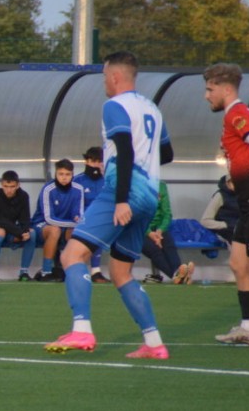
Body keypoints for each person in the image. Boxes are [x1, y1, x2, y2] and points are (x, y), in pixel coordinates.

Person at [45, 51, 174, 360]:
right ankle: (154, 342)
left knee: (72, 254)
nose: (103, 82)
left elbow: (125, 150)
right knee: (121, 272)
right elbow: (167, 153)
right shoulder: (152, 108)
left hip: (122, 192)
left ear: (115, 76)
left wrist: (121, 200)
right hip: (147, 197)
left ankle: (82, 330)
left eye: (104, 76)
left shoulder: (115, 106)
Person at [203, 63, 249, 347]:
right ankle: (248, 328)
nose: (207, 96)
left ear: (226, 89)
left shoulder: (237, 112)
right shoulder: (235, 115)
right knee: (238, 263)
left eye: (210, 89)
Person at [0, 170, 36, 281]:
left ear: (18, 185)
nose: (9, 190)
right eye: (6, 186)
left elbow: (25, 218)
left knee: (31, 233)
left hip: (9, 230)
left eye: (12, 187)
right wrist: (19, 232)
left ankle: (24, 273)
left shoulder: (23, 196)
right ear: (1, 184)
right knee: (0, 232)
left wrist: (25, 231)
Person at [31, 158, 84, 281]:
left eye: (67, 174)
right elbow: (49, 218)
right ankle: (46, 271)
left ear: (72, 174)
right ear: (56, 173)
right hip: (42, 225)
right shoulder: (48, 189)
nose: (64, 177)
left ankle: (71, 270)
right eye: (61, 174)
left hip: (65, 226)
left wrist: (76, 219)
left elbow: (78, 214)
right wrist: (73, 223)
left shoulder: (78, 189)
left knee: (76, 232)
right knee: (55, 230)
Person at [141, 181, 194, 285]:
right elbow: (136, 216)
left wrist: (160, 230)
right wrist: (149, 233)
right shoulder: (135, 185)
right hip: (139, 230)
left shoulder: (161, 186)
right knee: (154, 250)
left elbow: (167, 213)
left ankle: (179, 274)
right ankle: (178, 275)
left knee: (169, 245)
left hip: (158, 229)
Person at [73, 146, 110, 283]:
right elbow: (73, 203)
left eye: (99, 162)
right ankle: (83, 270)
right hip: (80, 220)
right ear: (86, 161)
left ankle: (96, 272)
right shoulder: (77, 180)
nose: (95, 165)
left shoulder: (108, 180)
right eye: (93, 161)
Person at [199, 175, 240, 244]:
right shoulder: (220, 196)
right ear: (227, 183)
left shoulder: (245, 196)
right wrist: (227, 225)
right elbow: (205, 221)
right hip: (225, 231)